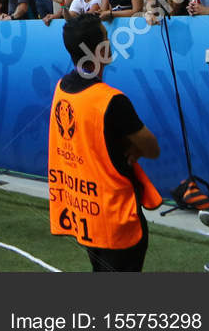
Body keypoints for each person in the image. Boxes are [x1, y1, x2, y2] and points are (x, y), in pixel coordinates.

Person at [48, 14, 161, 272]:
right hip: (114, 215)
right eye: (107, 39)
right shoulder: (110, 100)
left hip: (86, 211)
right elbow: (152, 148)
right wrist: (134, 147)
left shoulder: (62, 87)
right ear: (101, 49)